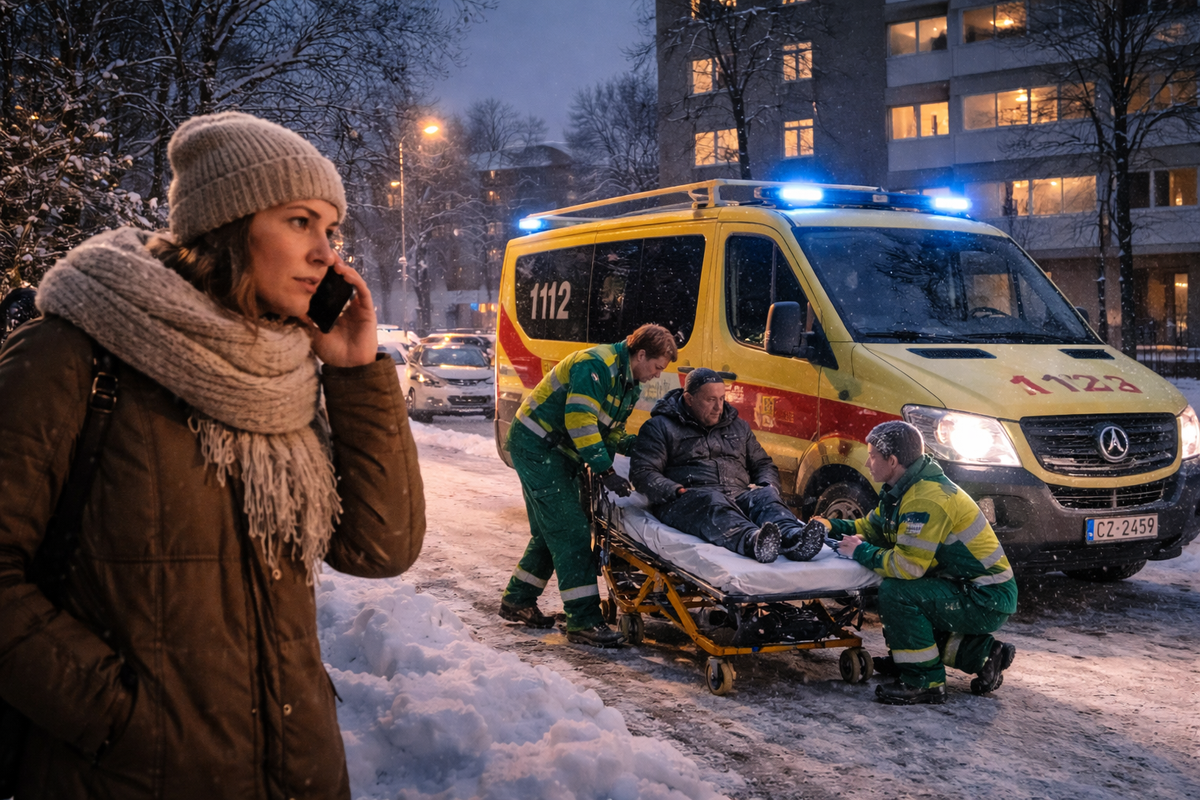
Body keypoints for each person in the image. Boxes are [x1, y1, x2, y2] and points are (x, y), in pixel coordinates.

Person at [0, 111, 426, 798]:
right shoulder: (74, 354)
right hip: (128, 775)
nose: (327, 253)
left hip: (296, 770)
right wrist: (119, 717)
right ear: (228, 227)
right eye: (298, 222)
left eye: (331, 228)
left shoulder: (284, 371)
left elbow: (379, 549)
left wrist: (354, 372)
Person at [813, 420, 1017, 705]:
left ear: (892, 461)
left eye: (872, 455)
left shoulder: (925, 499)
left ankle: (924, 682)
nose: (867, 462)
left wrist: (860, 552)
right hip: (972, 588)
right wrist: (829, 526)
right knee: (907, 607)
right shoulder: (903, 491)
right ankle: (984, 655)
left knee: (898, 594)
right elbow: (870, 528)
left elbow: (908, 567)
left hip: (984, 596)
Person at [500, 323, 677, 647]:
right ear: (640, 354)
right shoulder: (595, 366)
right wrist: (605, 470)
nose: (656, 375)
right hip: (539, 447)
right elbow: (579, 421)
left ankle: (518, 600)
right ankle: (583, 621)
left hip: (558, 451)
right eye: (656, 367)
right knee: (571, 532)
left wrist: (641, 446)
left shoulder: (629, 384)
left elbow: (608, 432)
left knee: (550, 531)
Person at [629, 368, 823, 563]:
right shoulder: (660, 427)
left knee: (765, 496)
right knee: (712, 502)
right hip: (687, 500)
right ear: (689, 399)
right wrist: (676, 490)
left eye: (722, 399)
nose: (718, 407)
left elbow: (763, 463)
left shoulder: (738, 426)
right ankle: (754, 541)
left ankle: (795, 538)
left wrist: (768, 484)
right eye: (710, 400)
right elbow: (643, 472)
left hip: (737, 494)